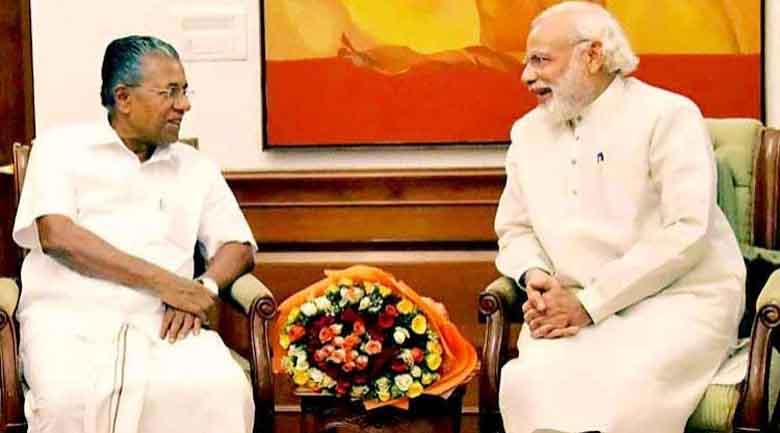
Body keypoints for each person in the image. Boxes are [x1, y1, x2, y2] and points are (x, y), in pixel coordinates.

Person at [494, 3, 746, 433]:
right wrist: (535, 275)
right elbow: (515, 228)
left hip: (678, 300)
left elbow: (687, 231)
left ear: (592, 55)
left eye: (541, 60)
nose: (526, 76)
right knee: (528, 384)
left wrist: (592, 303)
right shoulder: (527, 133)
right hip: (567, 303)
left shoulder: (668, 115)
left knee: (628, 388)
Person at [13, 35, 257, 433]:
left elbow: (238, 245)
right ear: (123, 98)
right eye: (170, 92)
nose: (184, 104)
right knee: (67, 401)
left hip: (166, 325)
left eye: (185, 91)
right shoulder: (59, 149)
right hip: (70, 323)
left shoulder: (195, 166)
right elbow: (58, 237)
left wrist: (203, 288)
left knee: (223, 389)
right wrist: (168, 284)